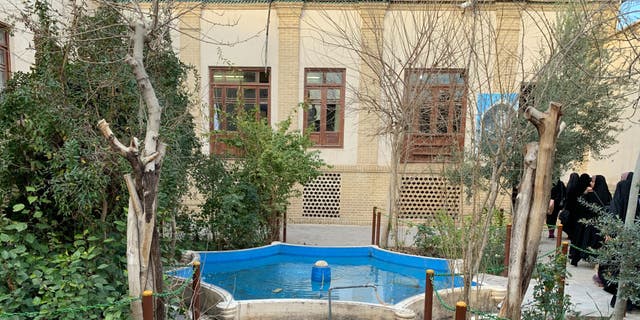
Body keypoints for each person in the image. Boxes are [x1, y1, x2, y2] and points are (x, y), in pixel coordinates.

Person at [598, 172, 639, 310]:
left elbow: (615, 209)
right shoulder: (630, 188)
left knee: (624, 268)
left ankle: (624, 301)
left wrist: (611, 230)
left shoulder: (622, 187)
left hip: (624, 234)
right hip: (632, 235)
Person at [568, 173, 594, 266]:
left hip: (575, 218)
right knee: (579, 238)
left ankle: (573, 255)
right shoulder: (587, 192)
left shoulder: (575, 188)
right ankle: (575, 255)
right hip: (583, 220)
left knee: (576, 238)